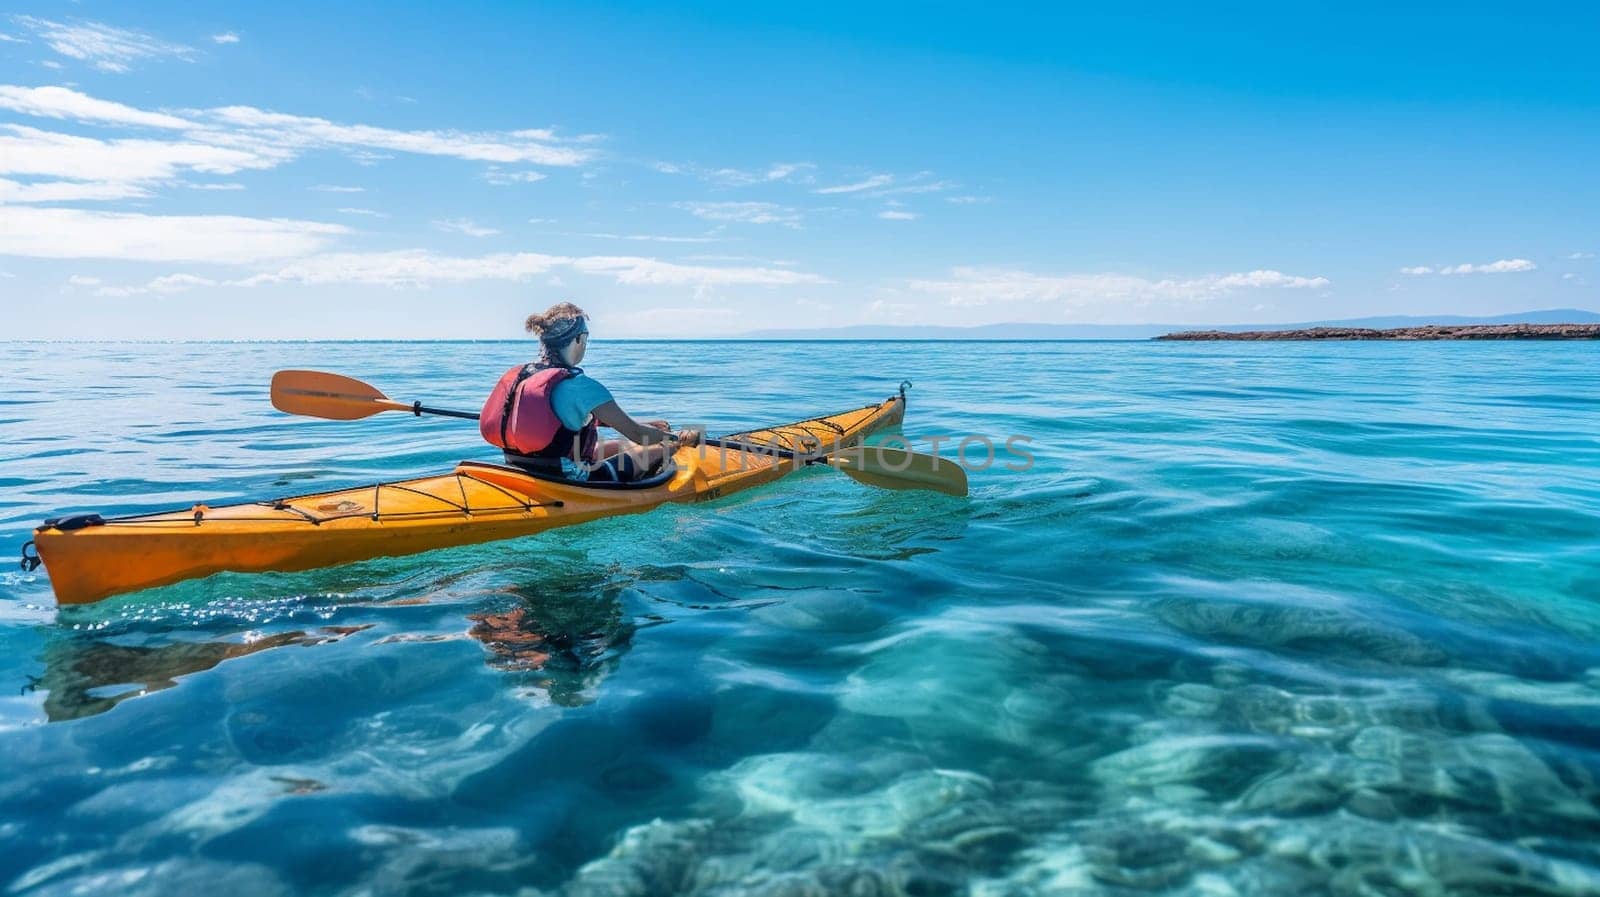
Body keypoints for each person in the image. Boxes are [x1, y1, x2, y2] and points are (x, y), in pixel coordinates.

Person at [480, 302, 700, 482]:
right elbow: (636, 434)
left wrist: (648, 424)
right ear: (579, 339)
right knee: (659, 447)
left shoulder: (522, 375)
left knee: (622, 445)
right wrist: (678, 438)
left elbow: (570, 419)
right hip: (567, 478)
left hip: (518, 466)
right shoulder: (581, 385)